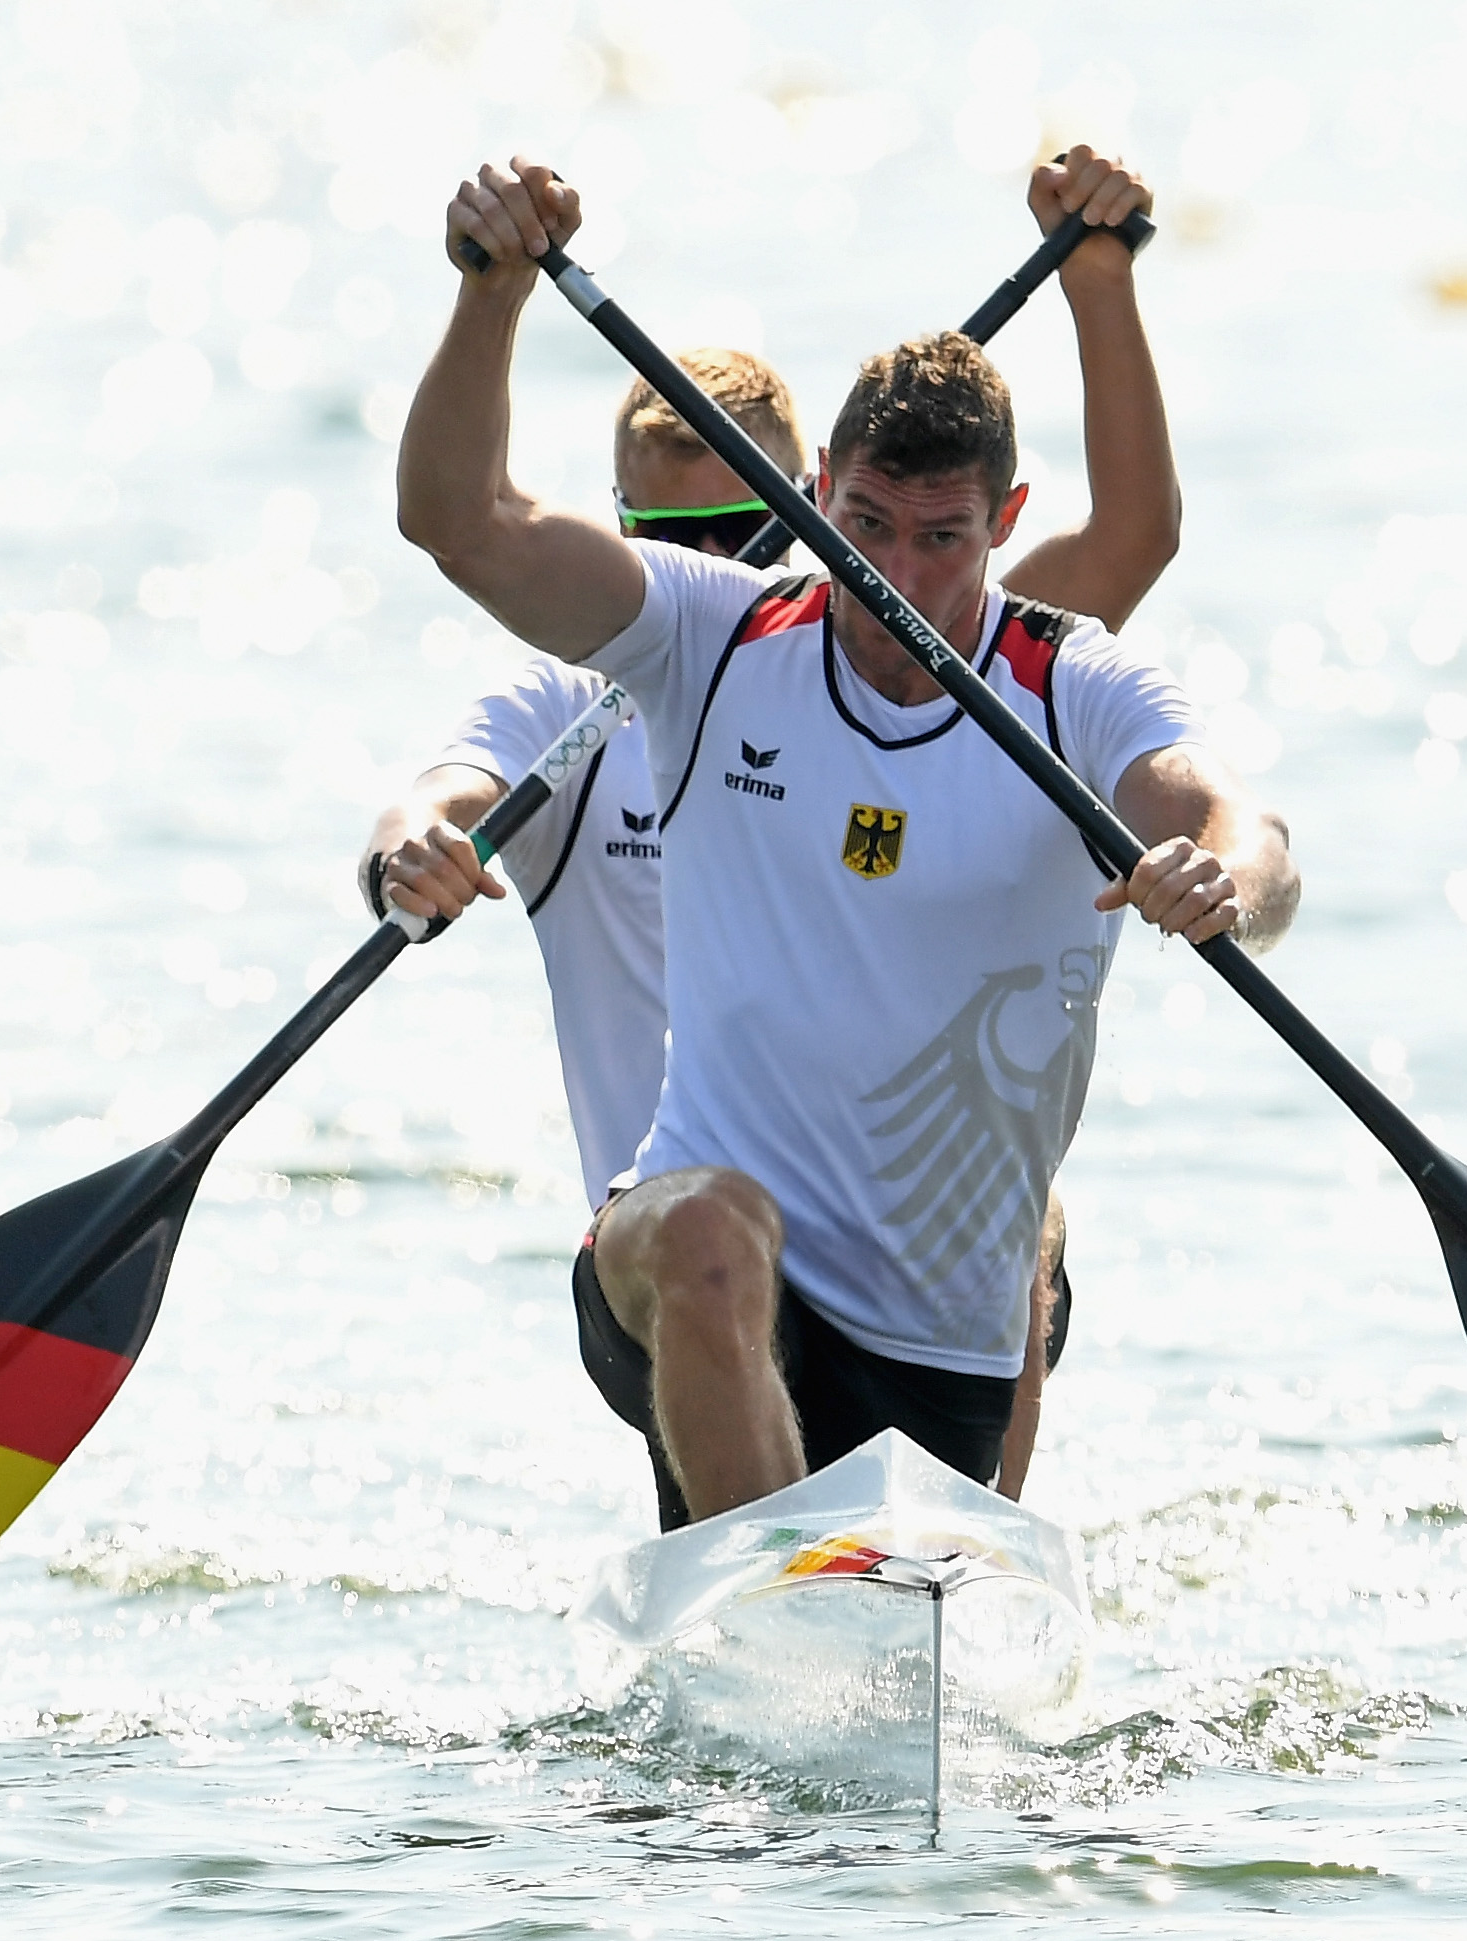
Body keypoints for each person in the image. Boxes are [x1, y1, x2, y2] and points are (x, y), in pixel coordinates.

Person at [395, 156, 1300, 1531]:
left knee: (992, 1308)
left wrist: (1222, 876)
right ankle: (779, 1604)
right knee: (706, 1229)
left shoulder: (1070, 680)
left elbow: (1245, 825)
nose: (899, 580)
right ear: (818, 491)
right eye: (863, 527)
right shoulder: (708, 637)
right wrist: (492, 292)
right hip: (685, 1257)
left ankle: (927, 1581)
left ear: (1003, 522)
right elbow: (463, 523)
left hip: (938, 1327)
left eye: (942, 539)